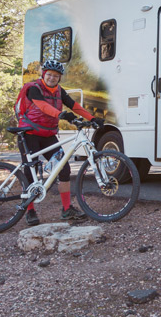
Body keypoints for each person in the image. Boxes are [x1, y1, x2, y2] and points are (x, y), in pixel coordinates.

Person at [17, 59, 104, 226]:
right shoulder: (33, 88)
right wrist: (60, 115)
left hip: (48, 135)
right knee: (31, 171)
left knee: (63, 169)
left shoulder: (59, 91)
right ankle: (30, 211)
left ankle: (66, 210)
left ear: (59, 78)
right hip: (28, 134)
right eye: (49, 74)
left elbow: (74, 105)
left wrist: (92, 118)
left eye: (56, 76)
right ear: (43, 74)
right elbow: (42, 106)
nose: (52, 78)